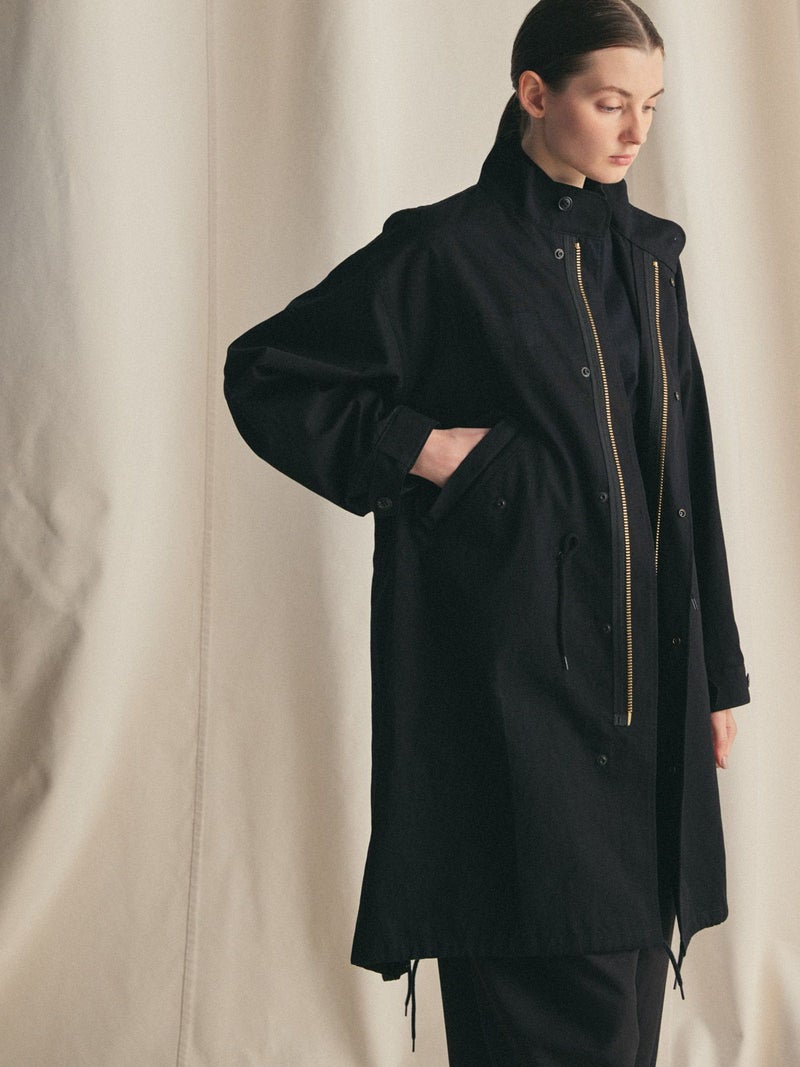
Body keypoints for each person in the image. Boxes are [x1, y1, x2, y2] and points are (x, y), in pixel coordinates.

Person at [224, 0, 750, 1062]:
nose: (634, 130)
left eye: (649, 106)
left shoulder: (650, 261)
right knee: (541, 969)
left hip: (647, 697)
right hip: (509, 692)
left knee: (622, 1010)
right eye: (609, 101)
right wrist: (418, 447)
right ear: (533, 93)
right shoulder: (445, 253)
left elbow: (683, 475)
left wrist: (717, 673)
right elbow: (268, 372)